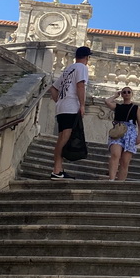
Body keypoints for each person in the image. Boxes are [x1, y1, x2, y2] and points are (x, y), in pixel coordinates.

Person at [48, 46, 91, 179]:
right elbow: (80, 85)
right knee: (64, 138)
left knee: (62, 138)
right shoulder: (82, 68)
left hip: (62, 107)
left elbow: (53, 88)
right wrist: (82, 105)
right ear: (87, 58)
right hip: (71, 107)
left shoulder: (68, 69)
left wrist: (60, 101)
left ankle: (58, 169)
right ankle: (56, 170)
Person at [103, 87, 140, 181]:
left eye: (128, 92)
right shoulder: (118, 106)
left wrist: (139, 135)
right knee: (115, 154)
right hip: (118, 131)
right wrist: (115, 95)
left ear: (131, 94)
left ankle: (120, 182)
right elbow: (107, 102)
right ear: (122, 94)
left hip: (130, 133)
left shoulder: (136, 108)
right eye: (124, 92)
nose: (126, 93)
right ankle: (111, 179)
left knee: (125, 161)